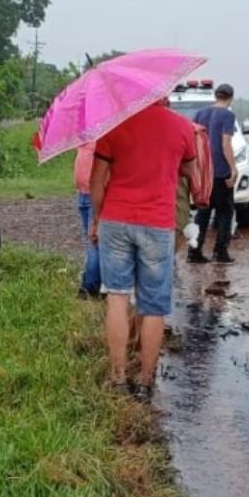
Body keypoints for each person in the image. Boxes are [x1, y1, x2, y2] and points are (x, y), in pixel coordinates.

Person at [89, 99, 197, 402]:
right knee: (154, 305)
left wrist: (98, 218)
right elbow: (190, 169)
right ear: (164, 94)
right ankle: (146, 382)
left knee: (117, 296)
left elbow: (95, 180)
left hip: (116, 220)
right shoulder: (182, 127)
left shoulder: (113, 126)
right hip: (158, 224)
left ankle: (118, 378)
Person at [190, 83, 238, 264]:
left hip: (203, 170)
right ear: (230, 97)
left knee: (203, 212)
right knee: (225, 212)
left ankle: (194, 252)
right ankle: (221, 252)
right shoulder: (228, 115)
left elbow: (193, 138)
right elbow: (226, 144)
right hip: (220, 171)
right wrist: (233, 168)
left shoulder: (200, 113)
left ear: (215, 96)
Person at [73, 142, 101, 299]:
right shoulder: (84, 135)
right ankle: (98, 281)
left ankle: (89, 286)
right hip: (82, 193)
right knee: (90, 239)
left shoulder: (103, 137)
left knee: (94, 242)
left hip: (94, 194)